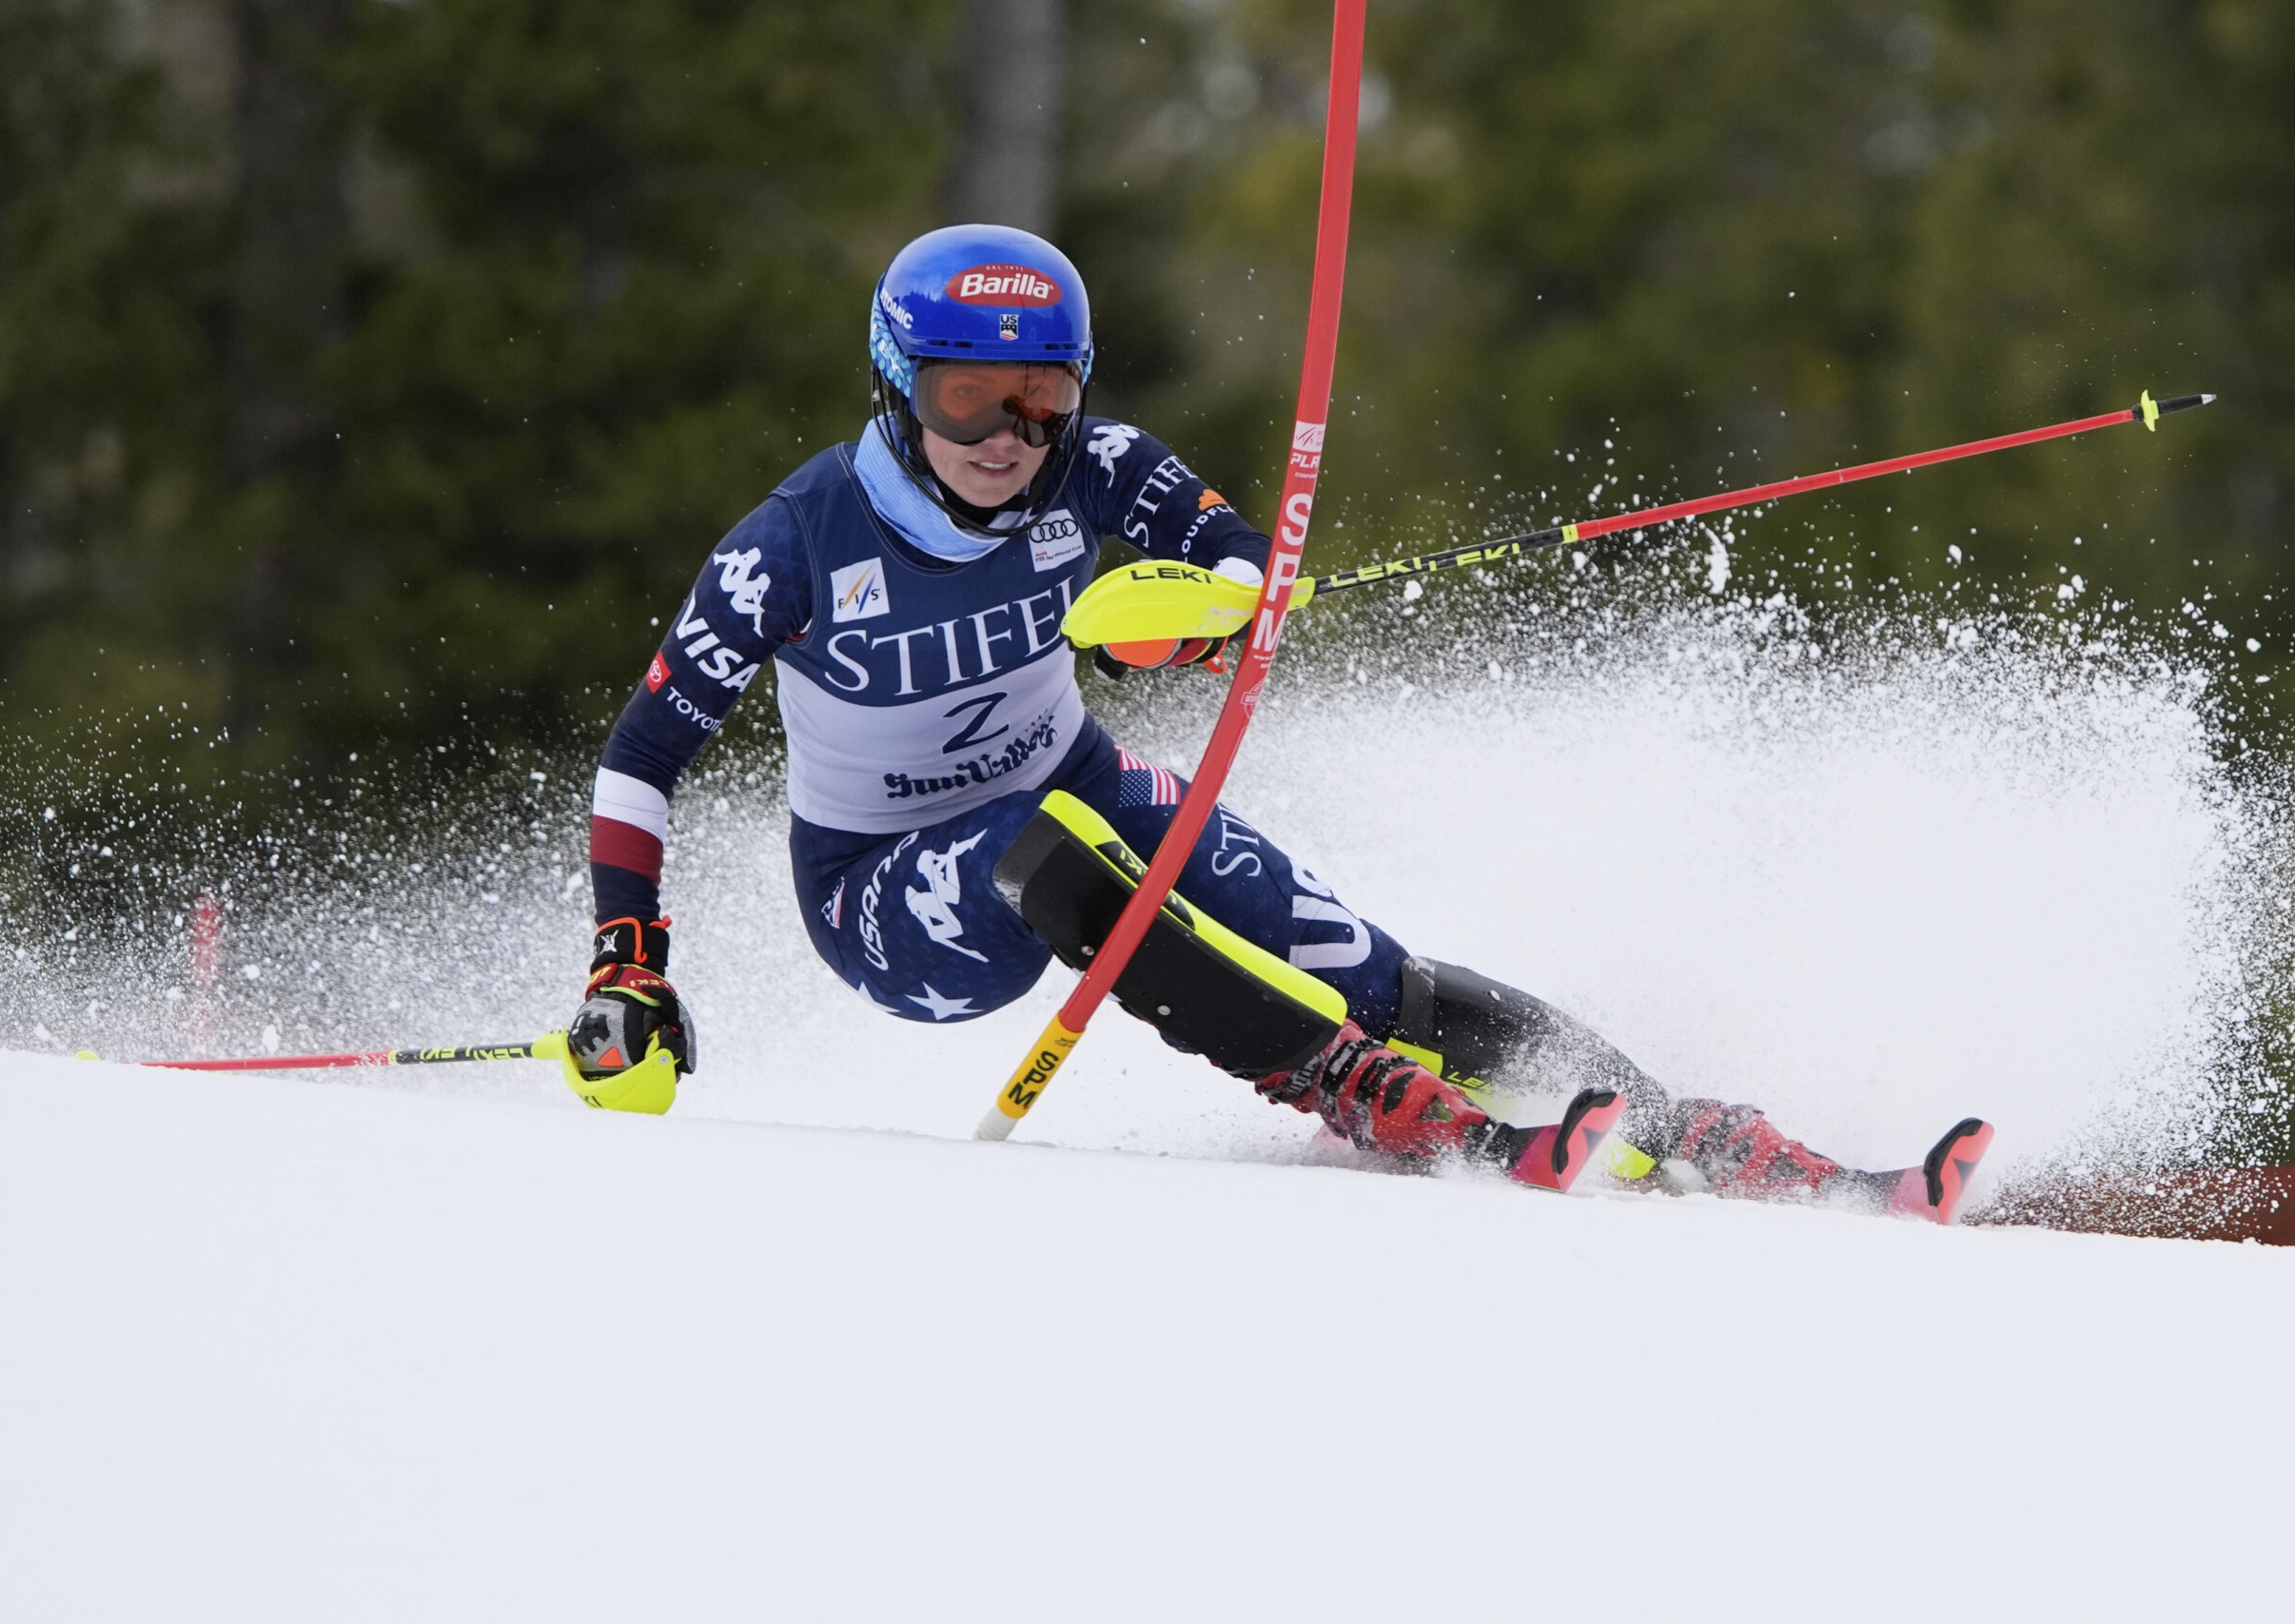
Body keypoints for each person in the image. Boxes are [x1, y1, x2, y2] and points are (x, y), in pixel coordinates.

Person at [562, 224, 1989, 1217]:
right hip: (887, 897)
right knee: (1054, 843)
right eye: (964, 396)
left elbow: (1247, 557)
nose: (1007, 434)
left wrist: (1217, 603)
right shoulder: (794, 543)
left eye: (1042, 397)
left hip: (1083, 788)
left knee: (1379, 972)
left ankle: (1696, 1130)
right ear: (895, 386)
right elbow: (643, 763)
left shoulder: (1092, 468)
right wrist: (628, 961)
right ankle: (1368, 1101)